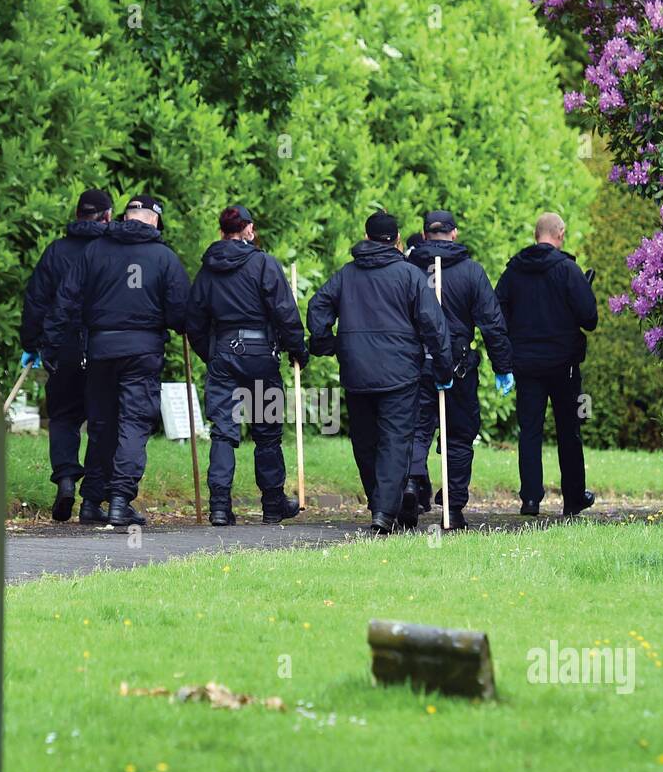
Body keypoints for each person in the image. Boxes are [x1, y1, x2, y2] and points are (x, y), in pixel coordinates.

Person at [43, 193, 190, 527]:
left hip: (100, 350)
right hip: (142, 351)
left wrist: (51, 345)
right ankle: (120, 500)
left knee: (102, 424)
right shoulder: (164, 258)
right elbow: (182, 313)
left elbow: (66, 298)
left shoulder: (95, 251)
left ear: (125, 217)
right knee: (134, 423)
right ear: (154, 220)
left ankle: (93, 500)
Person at [307, 210, 453, 534]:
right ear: (398, 240)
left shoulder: (346, 275)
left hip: (357, 372)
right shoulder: (411, 275)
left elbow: (318, 307)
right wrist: (443, 368)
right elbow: (433, 324)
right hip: (400, 373)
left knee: (365, 442)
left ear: (366, 236)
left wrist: (326, 343)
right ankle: (385, 512)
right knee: (395, 442)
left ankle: (383, 504)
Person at [186, 206, 308, 526]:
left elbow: (194, 320)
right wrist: (298, 350)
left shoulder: (208, 269)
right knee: (266, 433)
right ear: (249, 230)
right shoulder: (263, 263)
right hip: (260, 357)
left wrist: (211, 354)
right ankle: (271, 504)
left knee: (223, 433)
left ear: (222, 231)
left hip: (224, 353)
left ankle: (220, 507)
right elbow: (285, 312)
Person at [406, 210, 514, 530]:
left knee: (415, 429)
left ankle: (411, 484)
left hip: (415, 363)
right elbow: (492, 324)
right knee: (459, 435)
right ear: (454, 234)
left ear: (425, 235)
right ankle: (452, 507)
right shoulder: (471, 272)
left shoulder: (408, 269)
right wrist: (502, 366)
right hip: (458, 365)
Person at [19, 189, 113, 523]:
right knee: (102, 421)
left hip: (62, 346)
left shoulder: (55, 252)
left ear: (77, 216)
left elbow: (36, 300)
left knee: (63, 417)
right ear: (106, 217)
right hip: (103, 346)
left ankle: (66, 479)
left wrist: (32, 343)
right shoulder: (112, 252)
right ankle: (95, 497)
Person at [494, 212, 598, 517]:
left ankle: (530, 498)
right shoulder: (568, 270)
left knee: (529, 432)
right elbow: (589, 319)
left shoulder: (514, 270)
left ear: (536, 234)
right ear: (560, 233)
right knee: (569, 430)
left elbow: (496, 311)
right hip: (564, 366)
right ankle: (574, 497)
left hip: (525, 365)